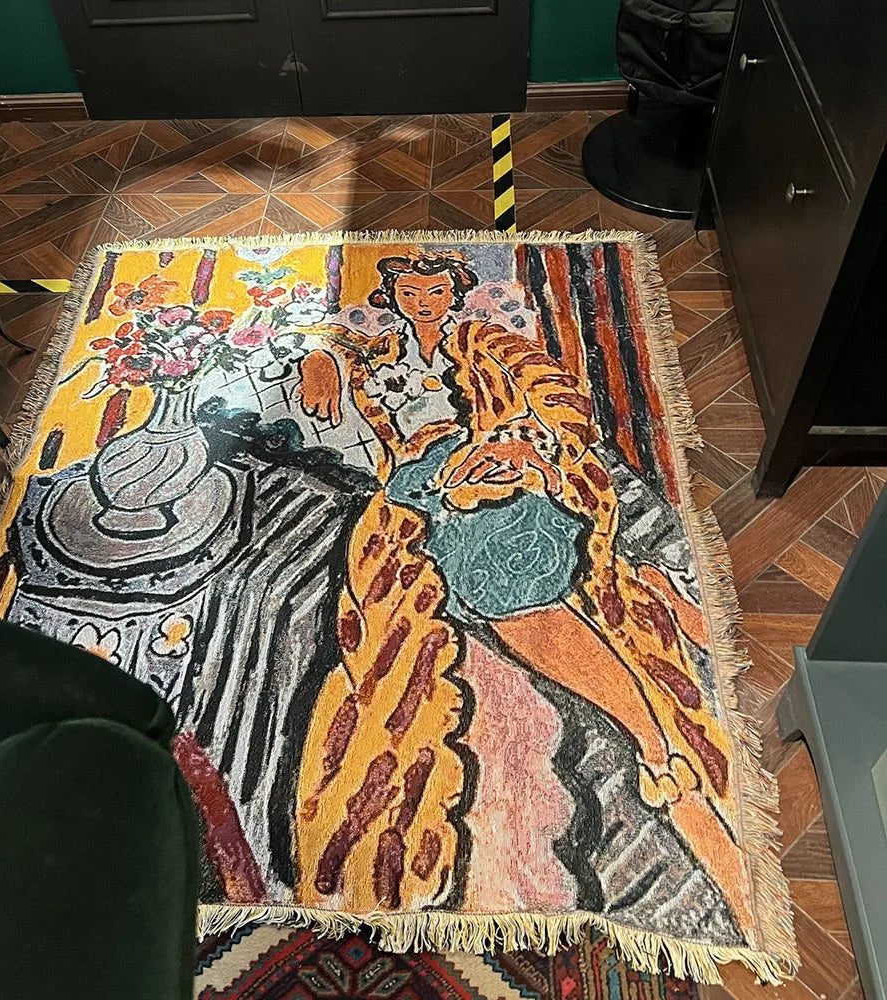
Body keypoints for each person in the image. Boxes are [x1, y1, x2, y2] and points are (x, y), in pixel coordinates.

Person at [290, 247, 753, 931]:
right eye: (410, 293)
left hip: (496, 470)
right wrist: (323, 359)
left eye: (435, 291)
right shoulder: (374, 358)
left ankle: (652, 741)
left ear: (455, 294)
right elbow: (319, 392)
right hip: (412, 494)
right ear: (394, 299)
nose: (423, 303)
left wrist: (518, 442)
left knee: (501, 564)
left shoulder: (485, 342)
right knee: (429, 595)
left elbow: (562, 399)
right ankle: (648, 719)